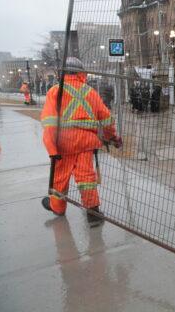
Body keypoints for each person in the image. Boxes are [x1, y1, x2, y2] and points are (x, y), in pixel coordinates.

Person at [40, 57, 122, 227]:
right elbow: (106, 119)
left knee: (60, 178)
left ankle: (58, 207)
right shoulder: (90, 92)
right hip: (86, 143)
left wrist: (52, 149)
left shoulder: (55, 91)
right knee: (86, 178)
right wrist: (113, 137)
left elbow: (49, 123)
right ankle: (93, 213)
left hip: (63, 144)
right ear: (81, 72)